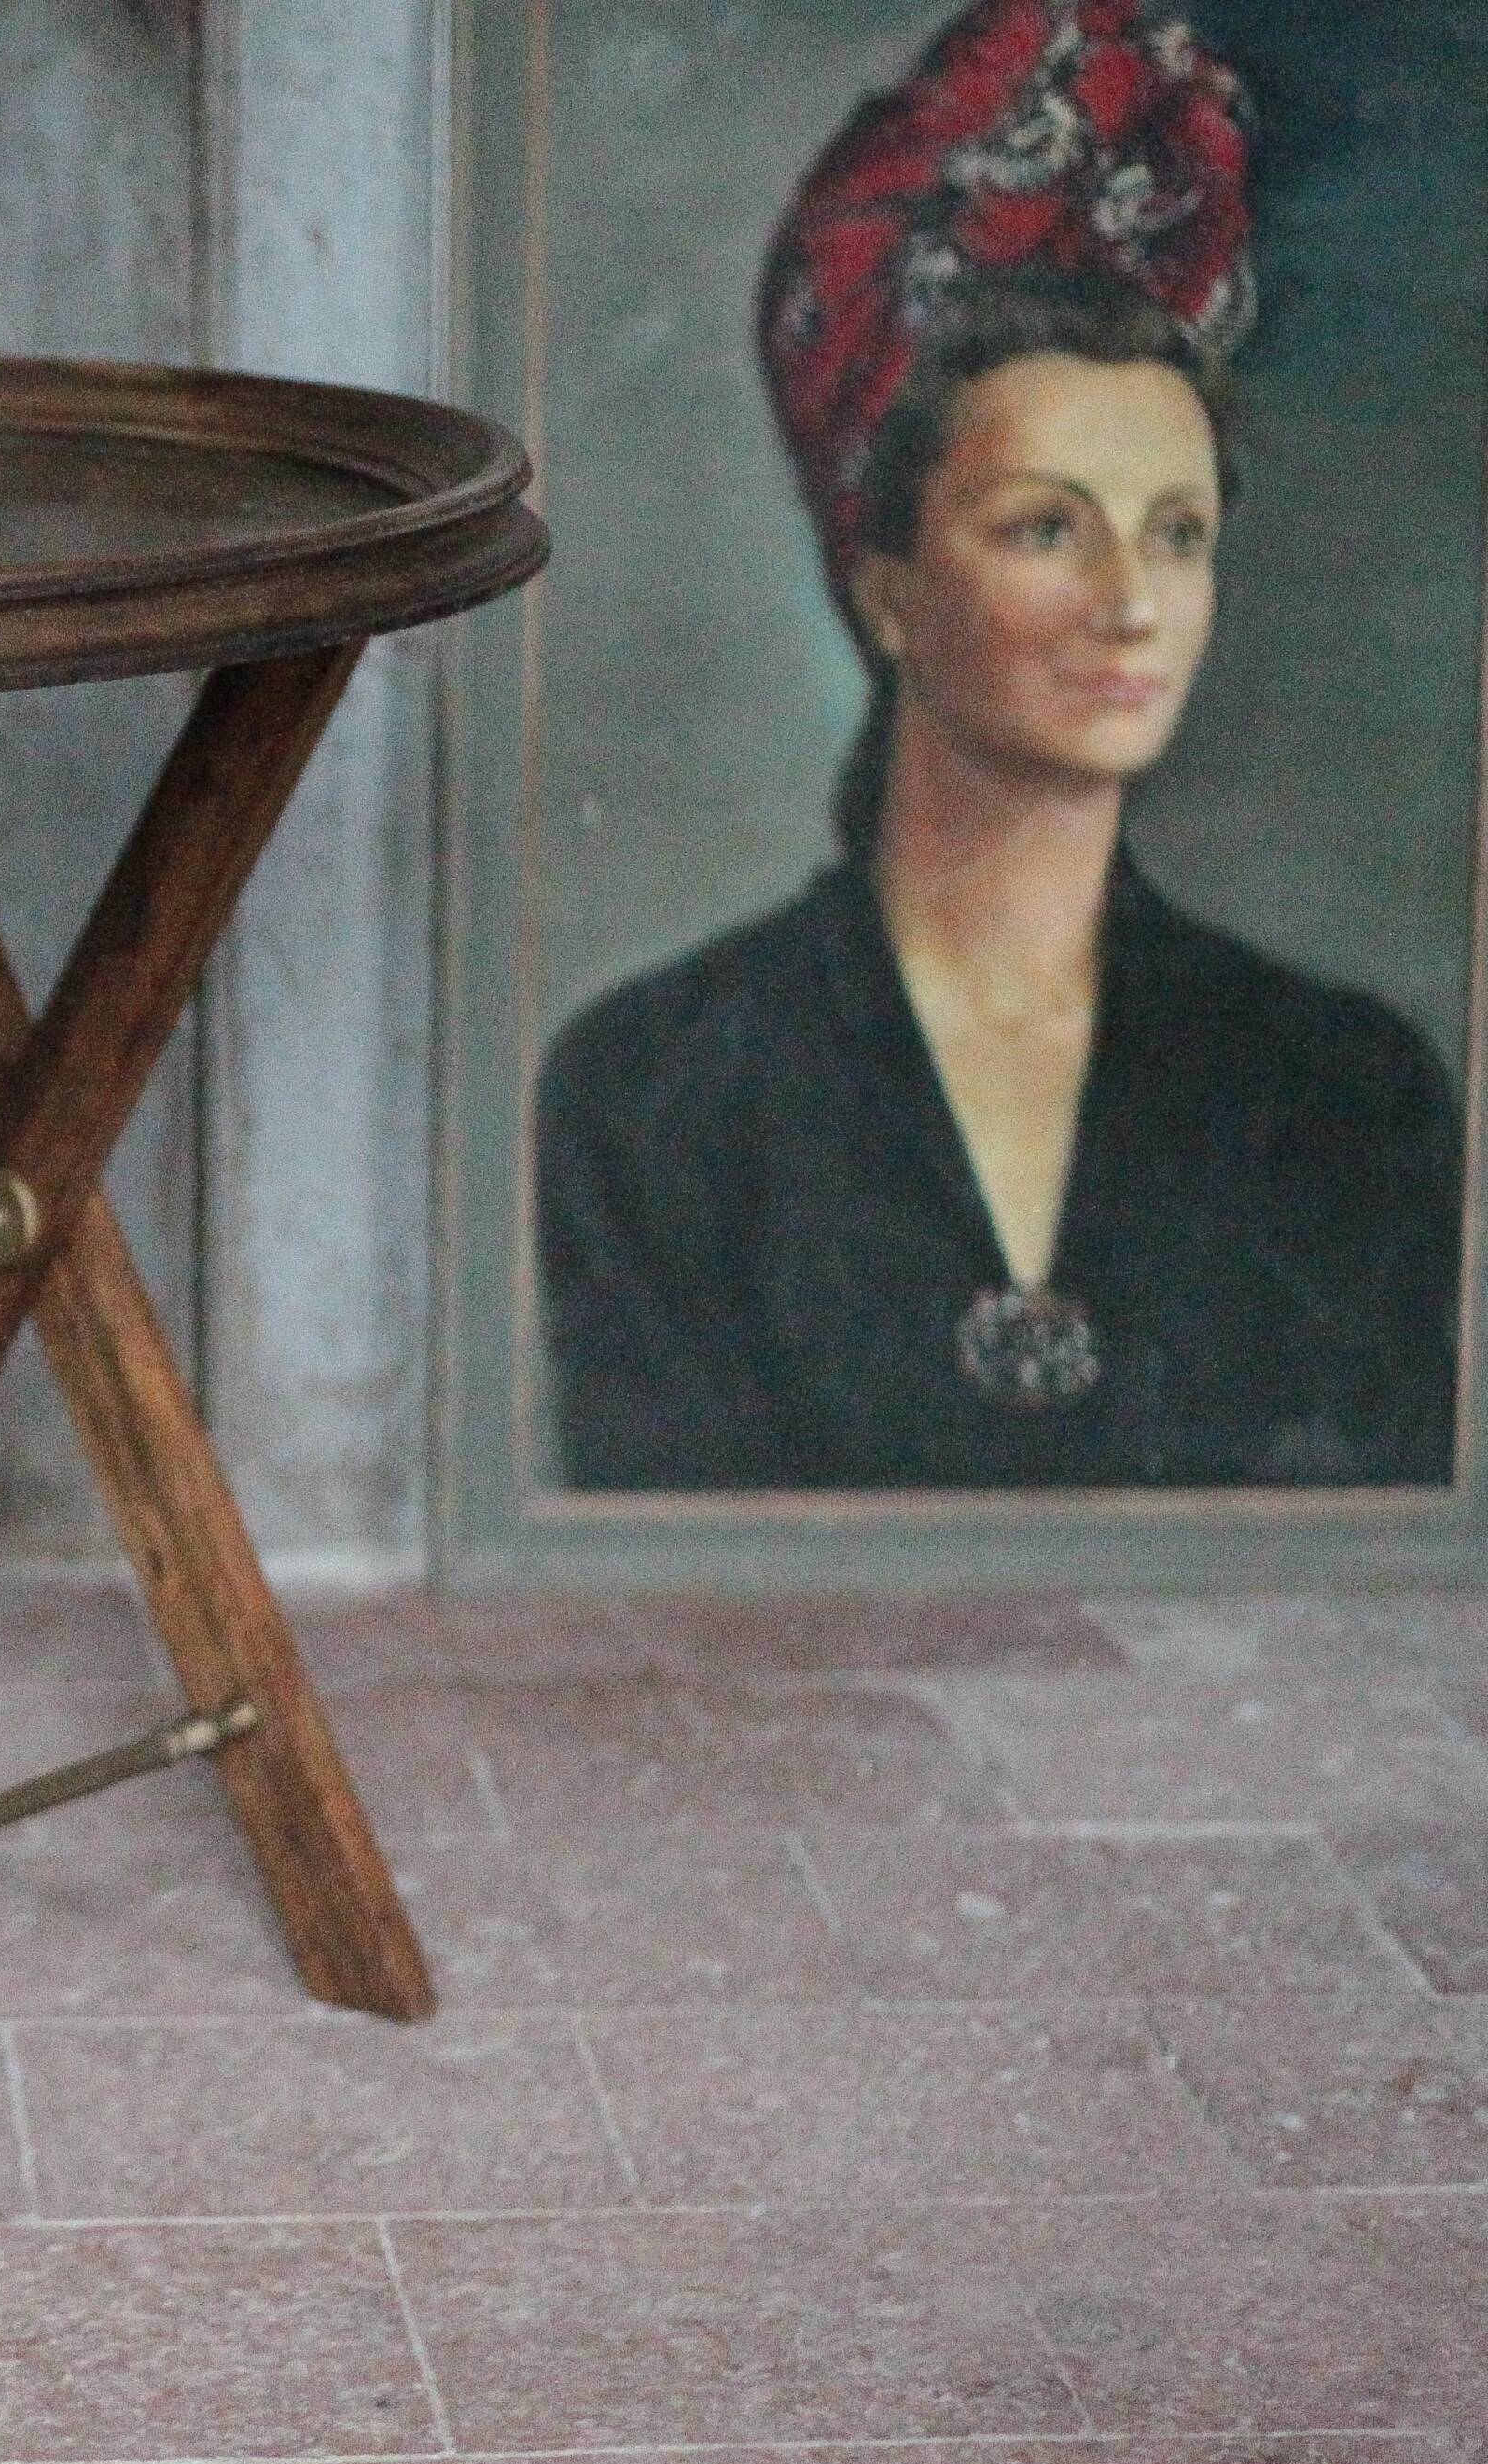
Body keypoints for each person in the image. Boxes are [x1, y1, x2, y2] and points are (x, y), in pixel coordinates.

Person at [537, 0, 1466, 1492]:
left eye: (1178, 536)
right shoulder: (655, 1091)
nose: (1129, 606)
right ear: (889, 587)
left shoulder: (1350, 1091)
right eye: (1047, 527)